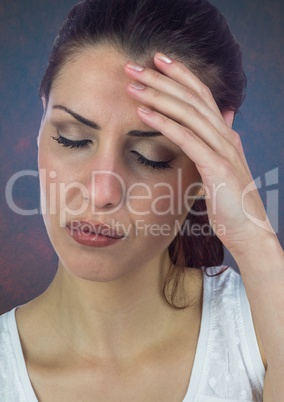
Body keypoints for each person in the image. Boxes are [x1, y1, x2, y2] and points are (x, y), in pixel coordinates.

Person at [0, 0, 283, 400]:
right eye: (72, 138)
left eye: (152, 158)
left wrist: (257, 243)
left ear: (208, 161)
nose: (101, 193)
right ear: (42, 118)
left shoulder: (260, 332)